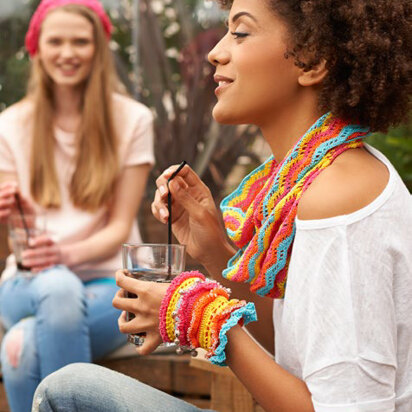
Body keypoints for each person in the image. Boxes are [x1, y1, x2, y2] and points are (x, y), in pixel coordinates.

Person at [33, 0, 411, 411]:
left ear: (312, 61)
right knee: (67, 386)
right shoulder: (318, 174)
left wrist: (207, 320)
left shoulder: (340, 198)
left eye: (241, 32)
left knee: (66, 392)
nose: (216, 51)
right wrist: (215, 250)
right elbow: (294, 345)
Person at [0, 0, 154, 411]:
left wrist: (64, 254)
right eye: (56, 41)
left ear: (99, 49)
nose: (67, 52)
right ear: (37, 47)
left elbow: (119, 229)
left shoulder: (133, 120)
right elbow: (20, 241)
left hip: (110, 286)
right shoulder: (11, 124)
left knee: (21, 343)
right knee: (57, 286)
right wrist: (19, 217)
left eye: (80, 42)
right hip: (28, 285)